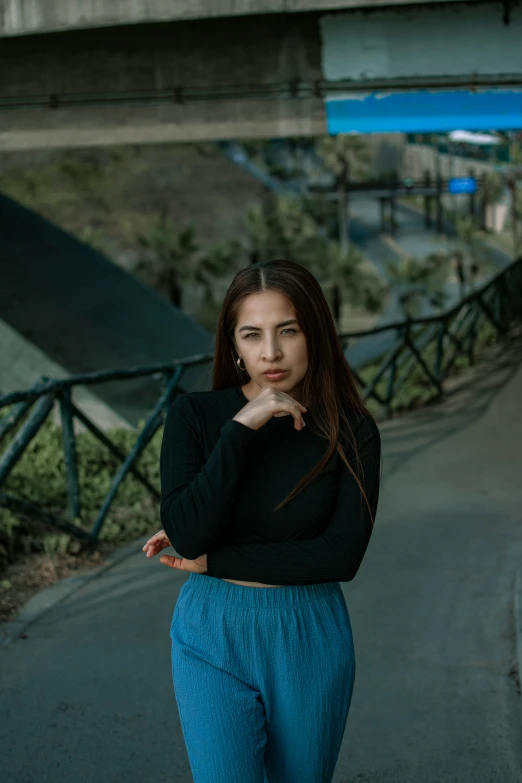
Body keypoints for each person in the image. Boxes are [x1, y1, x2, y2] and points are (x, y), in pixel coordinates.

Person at [143, 257, 382, 783]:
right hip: (211, 631)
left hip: (309, 633)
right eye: (252, 335)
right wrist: (239, 430)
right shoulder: (196, 417)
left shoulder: (352, 431)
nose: (270, 353)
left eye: (288, 331)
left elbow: (341, 555)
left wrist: (217, 559)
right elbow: (187, 532)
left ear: (314, 334)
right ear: (234, 345)